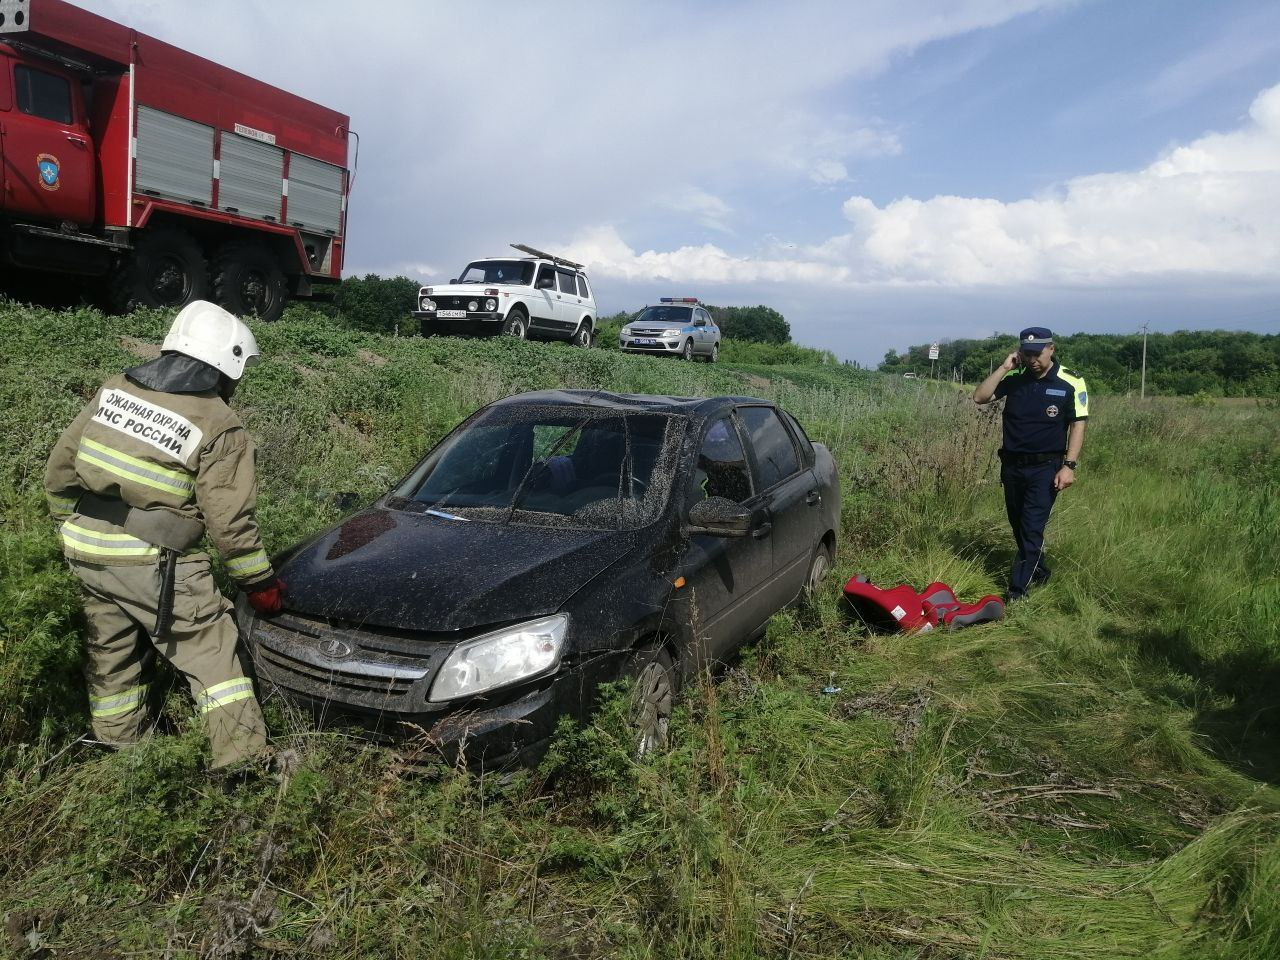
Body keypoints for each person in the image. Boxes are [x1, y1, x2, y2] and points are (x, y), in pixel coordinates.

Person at [44, 300, 287, 771]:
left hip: (86, 549)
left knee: (111, 655)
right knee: (213, 655)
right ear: (228, 362)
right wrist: (259, 585)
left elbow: (60, 467)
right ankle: (245, 765)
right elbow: (230, 524)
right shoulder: (219, 423)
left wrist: (65, 526)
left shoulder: (115, 390)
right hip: (155, 563)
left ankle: (122, 758)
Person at [972, 326, 1088, 600]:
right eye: (1027, 353)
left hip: (1046, 467)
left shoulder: (1071, 381)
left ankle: (1017, 591)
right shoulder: (1014, 377)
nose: (1032, 359)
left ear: (1052, 349)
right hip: (1012, 465)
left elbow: (1078, 424)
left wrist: (1069, 466)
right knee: (1018, 525)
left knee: (1031, 527)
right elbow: (980, 397)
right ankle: (1040, 571)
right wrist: (1003, 367)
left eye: (1037, 353)